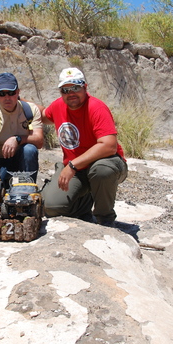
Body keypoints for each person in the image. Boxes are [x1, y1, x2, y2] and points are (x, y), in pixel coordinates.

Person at [40, 67, 127, 226]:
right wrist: (17, 100)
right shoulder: (59, 105)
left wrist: (72, 165)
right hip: (78, 170)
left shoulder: (96, 107)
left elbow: (109, 146)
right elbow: (43, 115)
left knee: (101, 171)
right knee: (51, 206)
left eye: (76, 87)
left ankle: (105, 220)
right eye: (65, 90)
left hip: (106, 163)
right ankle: (85, 204)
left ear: (85, 87)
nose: (71, 93)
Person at [0, 72, 44, 188]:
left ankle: (28, 190)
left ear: (18, 92)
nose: (7, 98)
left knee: (30, 149)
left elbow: (39, 141)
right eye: (2, 94)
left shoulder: (30, 110)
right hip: (0, 160)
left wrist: (18, 139)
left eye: (11, 93)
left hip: (22, 157)